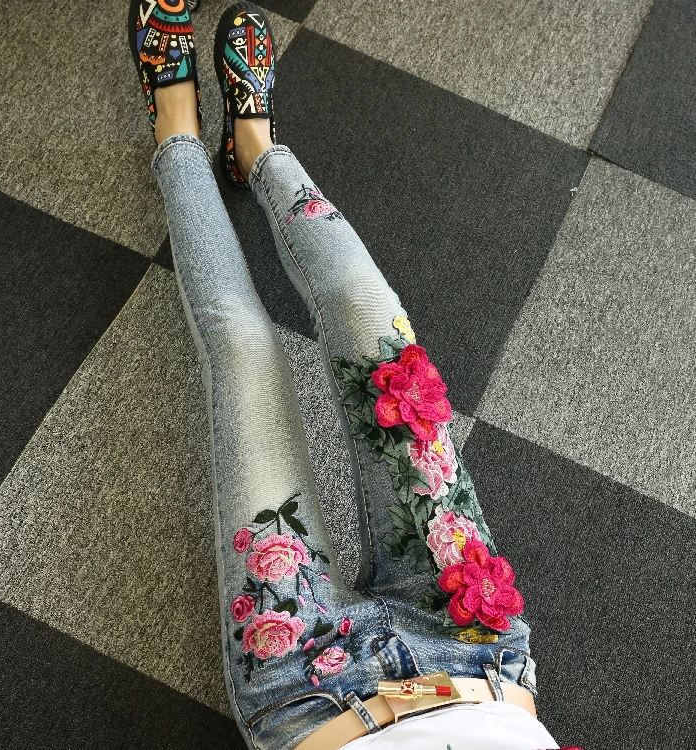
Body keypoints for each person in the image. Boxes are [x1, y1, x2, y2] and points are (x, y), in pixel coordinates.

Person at [129, 2, 581, 749]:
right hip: (478, 644)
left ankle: (173, 130)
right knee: (369, 316)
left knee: (246, 357)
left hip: (309, 695)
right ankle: (257, 148)